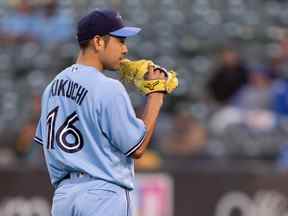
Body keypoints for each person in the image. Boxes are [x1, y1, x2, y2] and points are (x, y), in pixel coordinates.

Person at [33, 8, 166, 216]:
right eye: (120, 41)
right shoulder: (108, 87)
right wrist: (156, 95)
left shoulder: (51, 88)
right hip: (103, 196)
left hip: (63, 198)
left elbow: (47, 144)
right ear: (98, 42)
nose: (125, 50)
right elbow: (137, 148)